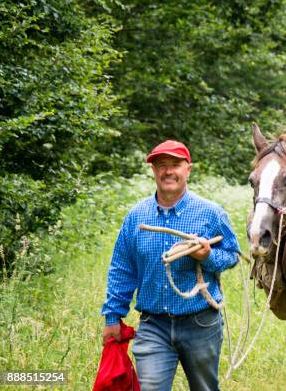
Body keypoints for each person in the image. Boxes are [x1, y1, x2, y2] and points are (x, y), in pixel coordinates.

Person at [101, 140, 240, 391]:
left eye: (175, 164)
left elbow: (232, 255)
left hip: (200, 323)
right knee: (151, 387)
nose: (168, 171)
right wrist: (113, 316)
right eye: (161, 165)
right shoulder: (137, 216)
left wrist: (206, 256)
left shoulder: (210, 213)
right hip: (154, 325)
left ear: (188, 169)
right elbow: (122, 268)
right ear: (153, 171)